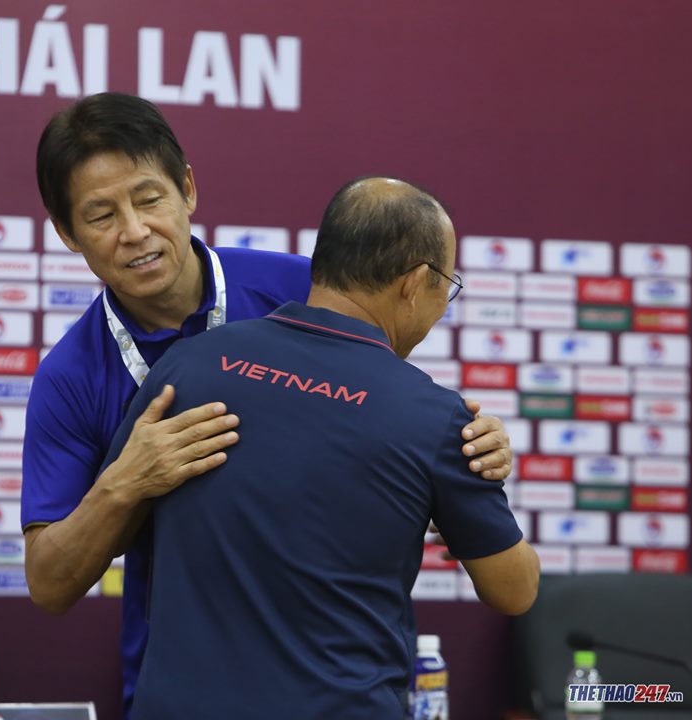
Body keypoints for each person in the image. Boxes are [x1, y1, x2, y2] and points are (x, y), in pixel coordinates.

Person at [21, 93, 515, 715]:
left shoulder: (307, 289)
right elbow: (49, 582)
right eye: (100, 215)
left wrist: (475, 449)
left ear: (187, 189)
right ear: (67, 233)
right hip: (181, 693)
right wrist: (124, 484)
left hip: (337, 687)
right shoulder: (70, 377)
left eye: (149, 199)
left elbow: (403, 422)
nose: (135, 232)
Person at [101, 177, 540, 720]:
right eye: (444, 286)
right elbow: (514, 591)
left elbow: (109, 518)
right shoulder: (435, 419)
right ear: (415, 283)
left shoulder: (188, 366)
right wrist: (475, 487)